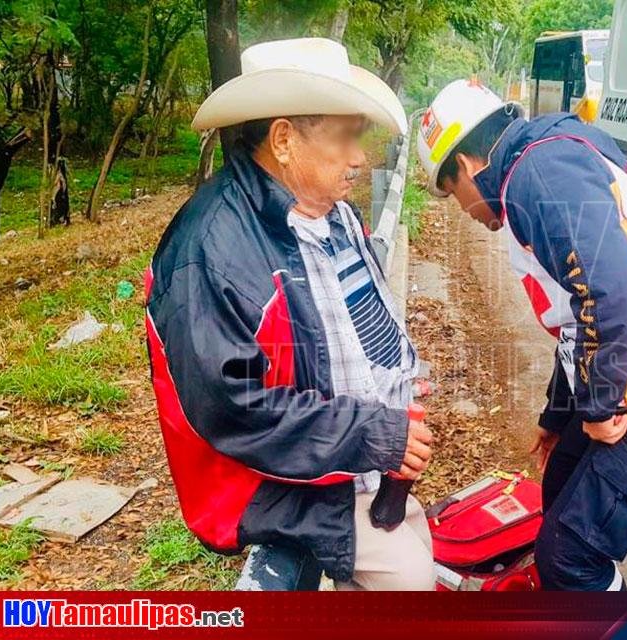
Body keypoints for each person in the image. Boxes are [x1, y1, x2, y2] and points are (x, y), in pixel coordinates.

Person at [417, 80, 627, 591]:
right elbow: (577, 317)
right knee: (562, 483)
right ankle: (599, 585)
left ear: (467, 165)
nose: (460, 208)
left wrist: (599, 405)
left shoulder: (538, 177)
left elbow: (614, 294)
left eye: (451, 190)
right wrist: (560, 413)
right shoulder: (546, 160)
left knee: (566, 556)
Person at [145, 38, 435, 591]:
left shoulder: (332, 214)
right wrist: (371, 432)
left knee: (417, 546)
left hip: (346, 457)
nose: (358, 158)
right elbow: (233, 409)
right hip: (272, 480)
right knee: (411, 577)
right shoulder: (211, 250)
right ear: (283, 139)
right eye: (346, 137)